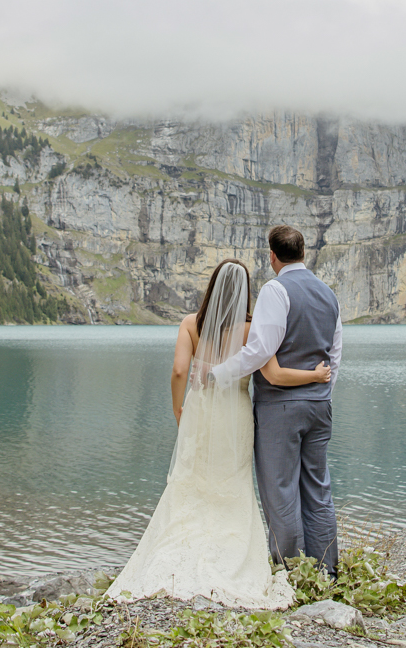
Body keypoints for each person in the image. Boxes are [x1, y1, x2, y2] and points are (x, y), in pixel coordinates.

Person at [106, 258, 327, 608]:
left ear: (212, 287)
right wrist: (315, 376)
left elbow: (180, 371)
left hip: (200, 410)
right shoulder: (250, 329)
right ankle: (233, 554)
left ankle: (175, 550)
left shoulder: (191, 324)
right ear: (246, 293)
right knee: (234, 481)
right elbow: (272, 374)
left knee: (191, 478)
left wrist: (178, 408)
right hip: (236, 415)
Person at [211, 225, 342, 577]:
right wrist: (321, 392)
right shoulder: (329, 294)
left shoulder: (275, 289)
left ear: (272, 256)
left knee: (280, 491)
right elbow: (335, 354)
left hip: (279, 408)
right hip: (320, 405)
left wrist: (218, 374)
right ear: (304, 253)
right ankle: (326, 570)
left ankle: (289, 572)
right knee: (318, 487)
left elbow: (260, 350)